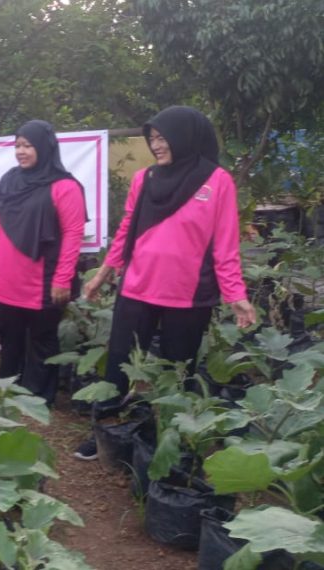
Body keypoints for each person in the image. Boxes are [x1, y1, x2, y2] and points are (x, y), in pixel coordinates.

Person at [73, 106, 256, 461]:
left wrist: (236, 296)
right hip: (137, 287)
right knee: (119, 363)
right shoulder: (145, 179)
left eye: (162, 138)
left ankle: (171, 444)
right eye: (152, 138)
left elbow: (225, 245)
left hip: (189, 296)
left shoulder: (218, 181)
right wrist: (102, 274)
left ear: (185, 136)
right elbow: (127, 230)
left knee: (178, 371)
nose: (156, 145)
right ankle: (105, 432)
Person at [0, 120, 86, 406]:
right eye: (17, 145)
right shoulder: (9, 180)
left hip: (44, 280)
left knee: (42, 340)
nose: (21, 151)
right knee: (11, 338)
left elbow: (72, 235)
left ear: (44, 147)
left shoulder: (65, 187)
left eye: (28, 145)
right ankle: (7, 390)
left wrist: (62, 278)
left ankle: (38, 398)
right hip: (9, 280)